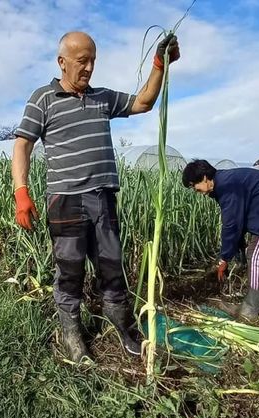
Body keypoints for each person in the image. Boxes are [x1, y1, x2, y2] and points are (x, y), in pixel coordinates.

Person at [11, 31, 180, 362]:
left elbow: (144, 101)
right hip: (65, 201)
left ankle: (125, 330)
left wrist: (160, 64)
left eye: (92, 61)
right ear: (62, 62)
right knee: (70, 270)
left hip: (102, 200)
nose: (88, 68)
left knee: (111, 267)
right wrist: (21, 191)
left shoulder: (103, 97)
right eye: (81, 61)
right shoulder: (43, 99)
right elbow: (23, 143)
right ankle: (72, 336)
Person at [181, 159, 259, 321]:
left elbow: (231, 224)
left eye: (195, 186)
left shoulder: (227, 185)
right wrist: (237, 248)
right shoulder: (221, 184)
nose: (196, 191)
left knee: (256, 255)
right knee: (258, 253)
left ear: (205, 178)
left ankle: (250, 310)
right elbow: (238, 221)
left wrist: (224, 257)